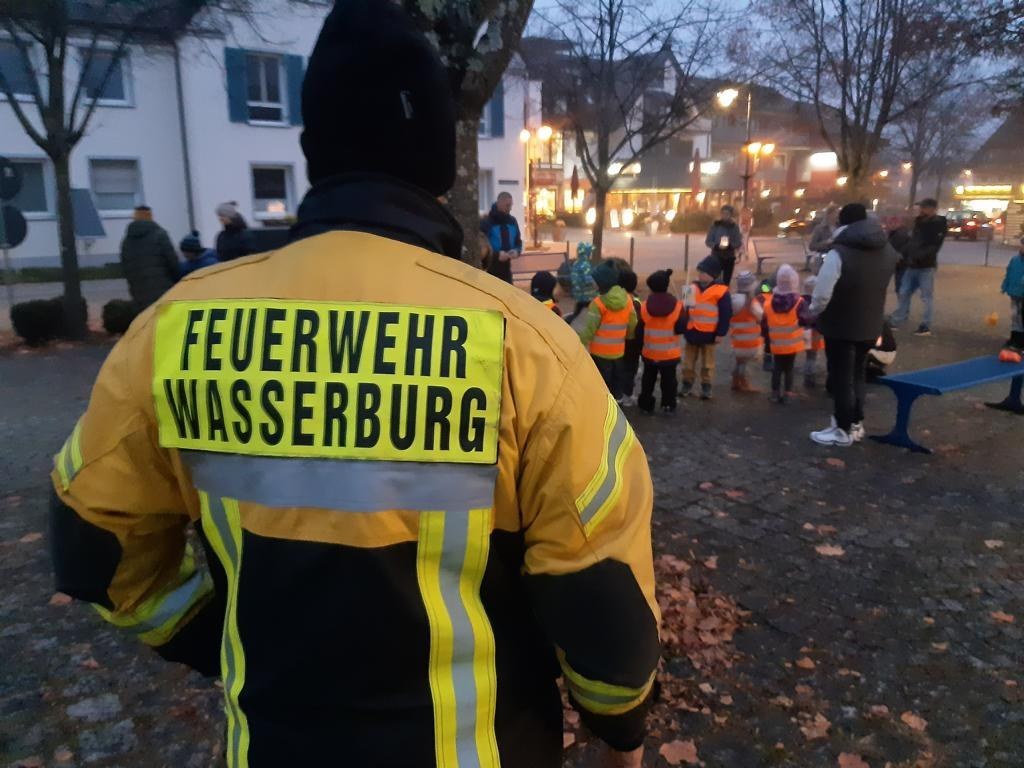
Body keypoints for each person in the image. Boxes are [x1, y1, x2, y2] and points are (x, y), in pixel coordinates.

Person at [48, 4, 659, 768]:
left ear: (315, 151)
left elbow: (93, 545)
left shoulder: (174, 330)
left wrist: (211, 636)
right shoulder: (526, 345)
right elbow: (600, 592)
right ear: (439, 162)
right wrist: (621, 729)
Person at [808, 202, 898, 447]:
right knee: (858, 374)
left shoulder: (840, 252)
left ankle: (842, 428)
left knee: (841, 377)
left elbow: (822, 293)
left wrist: (813, 311)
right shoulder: (886, 248)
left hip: (841, 324)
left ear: (842, 223)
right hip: (871, 322)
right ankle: (856, 422)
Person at [578, 260, 638, 402]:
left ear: (602, 283)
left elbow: (590, 328)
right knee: (617, 379)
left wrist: (580, 343)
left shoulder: (598, 303)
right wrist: (629, 336)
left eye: (595, 281)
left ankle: (603, 405)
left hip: (599, 352)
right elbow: (632, 322)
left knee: (602, 382)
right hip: (618, 351)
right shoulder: (628, 299)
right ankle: (617, 402)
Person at [889, 198, 947, 336]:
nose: (921, 210)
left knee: (926, 296)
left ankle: (925, 325)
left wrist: (917, 255)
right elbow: (913, 241)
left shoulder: (938, 224)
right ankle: (899, 319)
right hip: (912, 264)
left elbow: (934, 246)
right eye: (921, 207)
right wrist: (904, 253)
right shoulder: (919, 222)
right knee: (904, 292)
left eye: (924, 208)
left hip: (925, 265)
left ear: (932, 209)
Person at [681, 255, 732, 400]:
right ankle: (687, 383)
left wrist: (721, 332)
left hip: (710, 334)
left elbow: (725, 314)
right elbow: (685, 311)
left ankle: (706, 386)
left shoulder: (721, 291)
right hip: (692, 332)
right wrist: (683, 326)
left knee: (708, 363)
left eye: (704, 272)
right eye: (700, 271)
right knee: (688, 362)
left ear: (712, 274)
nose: (700, 274)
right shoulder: (691, 288)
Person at [638, 269, 686, 413]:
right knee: (669, 380)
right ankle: (668, 404)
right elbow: (681, 328)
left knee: (648, 380)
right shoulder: (678, 306)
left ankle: (646, 404)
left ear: (651, 288)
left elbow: (639, 329)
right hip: (670, 353)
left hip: (650, 352)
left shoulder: (644, 306)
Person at [762, 264, 807, 404]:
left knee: (777, 368)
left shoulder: (769, 303)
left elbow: (764, 324)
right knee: (789, 368)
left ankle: (775, 393)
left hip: (776, 343)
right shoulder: (799, 302)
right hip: (792, 344)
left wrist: (767, 340)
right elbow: (806, 319)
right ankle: (788, 393)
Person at [119, 205, 179, 310]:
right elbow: (172, 262)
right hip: (163, 289)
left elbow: (125, 266)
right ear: (150, 215)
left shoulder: (127, 240)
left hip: (138, 291)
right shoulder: (160, 235)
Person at [729, 271, 763, 392]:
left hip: (737, 339)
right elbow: (761, 316)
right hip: (750, 340)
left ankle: (735, 381)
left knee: (739, 361)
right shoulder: (751, 303)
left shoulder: (733, 299)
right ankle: (744, 383)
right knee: (745, 363)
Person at [480, 191, 523, 284]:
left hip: (507, 270)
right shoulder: (486, 222)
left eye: (511, 205)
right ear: (499, 204)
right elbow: (481, 247)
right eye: (507, 205)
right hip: (490, 269)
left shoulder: (512, 221)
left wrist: (516, 251)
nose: (510, 208)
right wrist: (496, 255)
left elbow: (518, 242)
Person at [618, 266, 643, 406]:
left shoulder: (612, 299)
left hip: (615, 341)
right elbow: (638, 324)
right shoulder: (635, 303)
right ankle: (627, 395)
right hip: (632, 342)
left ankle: (616, 394)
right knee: (629, 370)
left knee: (617, 369)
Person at [705, 205, 743, 286]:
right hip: (716, 256)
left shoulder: (734, 227)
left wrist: (730, 246)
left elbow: (738, 242)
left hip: (729, 257)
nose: (725, 216)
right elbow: (708, 241)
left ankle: (725, 292)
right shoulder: (715, 226)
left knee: (726, 281)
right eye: (723, 213)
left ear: (731, 215)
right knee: (715, 280)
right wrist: (716, 246)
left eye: (727, 214)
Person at [1001, 235, 1024, 351]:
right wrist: (1005, 286)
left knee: (1021, 317)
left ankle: (1020, 341)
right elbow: (1009, 273)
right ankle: (1014, 338)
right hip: (1014, 293)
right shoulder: (1015, 260)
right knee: (1015, 316)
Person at [801, 275, 825, 388]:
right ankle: (809, 378)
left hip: (804, 330)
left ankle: (808, 375)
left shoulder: (801, 300)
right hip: (815, 331)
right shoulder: (818, 302)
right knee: (812, 356)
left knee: (808, 355)